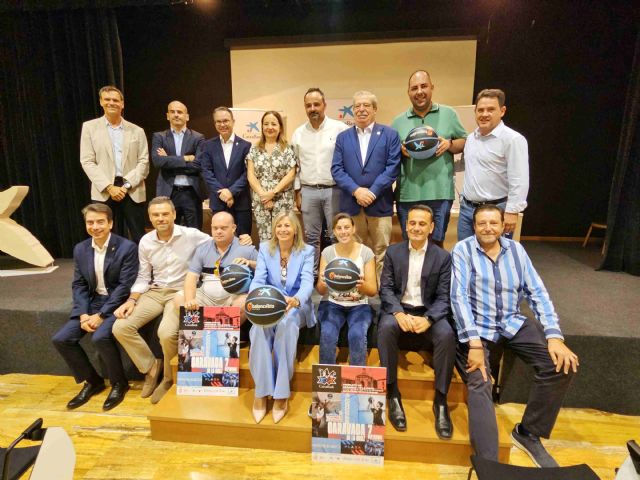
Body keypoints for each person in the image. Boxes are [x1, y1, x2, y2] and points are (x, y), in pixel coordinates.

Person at [451, 204, 578, 466]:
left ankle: (528, 433)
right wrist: (473, 343)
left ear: (502, 226)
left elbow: (537, 293)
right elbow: (458, 298)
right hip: (478, 328)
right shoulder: (463, 250)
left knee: (561, 365)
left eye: (493, 223)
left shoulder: (517, 250)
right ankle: (489, 464)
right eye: (481, 223)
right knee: (480, 381)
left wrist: (554, 336)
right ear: (474, 226)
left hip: (511, 323)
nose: (487, 228)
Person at [112, 196, 210, 404]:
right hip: (155, 291)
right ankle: (150, 368)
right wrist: (132, 300)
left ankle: (168, 378)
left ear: (174, 214)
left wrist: (243, 242)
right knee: (120, 327)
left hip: (180, 291)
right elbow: (143, 276)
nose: (161, 218)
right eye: (156, 215)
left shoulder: (191, 235)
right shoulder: (146, 241)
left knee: (165, 333)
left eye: (165, 214)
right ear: (150, 217)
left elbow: (218, 241)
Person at [377, 204, 456, 438]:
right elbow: (386, 290)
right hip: (400, 310)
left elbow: (444, 297)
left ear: (431, 227)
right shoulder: (393, 252)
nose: (416, 227)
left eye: (422, 223)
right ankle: (392, 393)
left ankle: (441, 400)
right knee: (385, 329)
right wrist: (398, 313)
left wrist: (429, 319)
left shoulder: (442, 257)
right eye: (412, 223)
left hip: (428, 311)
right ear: (405, 225)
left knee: (446, 334)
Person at [52, 203, 138, 411]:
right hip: (91, 303)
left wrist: (101, 315)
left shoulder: (127, 247)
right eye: (90, 222)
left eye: (100, 221)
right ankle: (93, 381)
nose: (95, 226)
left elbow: (124, 286)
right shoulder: (81, 248)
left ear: (110, 223)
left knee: (101, 337)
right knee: (61, 339)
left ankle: (119, 383)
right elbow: (79, 284)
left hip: (117, 304)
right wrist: (83, 314)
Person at [249, 211, 315, 424]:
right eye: (279, 226)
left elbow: (307, 283)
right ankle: (261, 391)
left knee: (286, 325)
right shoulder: (265, 250)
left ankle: (280, 394)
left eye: (287, 225)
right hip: (271, 304)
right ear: (274, 229)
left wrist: (295, 300)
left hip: (296, 306)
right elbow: (258, 280)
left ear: (295, 229)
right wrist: (260, 299)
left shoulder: (306, 251)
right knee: (258, 328)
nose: (283, 230)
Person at [391, 70, 467, 246]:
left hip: (439, 193)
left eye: (424, 86)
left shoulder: (449, 114)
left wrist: (450, 144)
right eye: (414, 88)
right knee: (409, 244)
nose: (419, 91)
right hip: (408, 194)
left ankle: (434, 275)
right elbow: (389, 154)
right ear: (408, 92)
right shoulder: (397, 121)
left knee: (436, 244)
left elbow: (465, 140)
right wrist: (399, 150)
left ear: (432, 87)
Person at [331, 91, 401, 276]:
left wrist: (372, 191)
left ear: (375, 109)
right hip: (351, 204)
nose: (361, 109)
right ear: (353, 110)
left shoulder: (390, 134)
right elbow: (337, 169)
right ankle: (356, 290)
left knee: (381, 250)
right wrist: (356, 191)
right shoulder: (343, 137)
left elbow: (393, 167)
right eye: (357, 106)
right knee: (354, 249)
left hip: (380, 203)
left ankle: (380, 293)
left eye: (366, 105)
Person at [457, 88, 529, 241]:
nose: (484, 114)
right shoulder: (471, 138)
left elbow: (520, 178)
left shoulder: (513, 139)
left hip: (497, 211)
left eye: (490, 109)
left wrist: (512, 211)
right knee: (465, 256)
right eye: (480, 110)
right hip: (467, 211)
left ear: (502, 111)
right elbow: (467, 167)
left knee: (495, 258)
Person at [80, 85, 149, 243]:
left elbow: (144, 162)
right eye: (107, 99)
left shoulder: (137, 131)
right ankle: (105, 267)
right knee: (102, 234)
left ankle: (143, 268)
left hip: (132, 188)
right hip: (104, 189)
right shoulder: (90, 128)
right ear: (101, 102)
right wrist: (109, 187)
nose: (112, 103)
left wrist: (125, 186)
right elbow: (87, 160)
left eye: (115, 100)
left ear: (122, 104)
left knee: (139, 235)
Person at [291, 88, 349, 274]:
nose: (313, 108)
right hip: (308, 191)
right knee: (311, 237)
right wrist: (297, 192)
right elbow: (296, 167)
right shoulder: (298, 133)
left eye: (317, 104)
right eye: (309, 105)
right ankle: (313, 275)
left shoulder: (340, 128)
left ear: (324, 105)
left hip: (334, 189)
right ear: (305, 108)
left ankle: (337, 273)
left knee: (336, 234)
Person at [173, 211, 258, 322]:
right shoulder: (202, 249)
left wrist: (249, 262)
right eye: (215, 228)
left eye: (223, 228)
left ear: (233, 228)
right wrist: (190, 299)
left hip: (233, 296)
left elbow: (265, 269)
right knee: (179, 298)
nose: (218, 231)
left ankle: (223, 335)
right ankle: (200, 332)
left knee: (243, 302)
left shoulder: (246, 248)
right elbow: (191, 277)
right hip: (206, 296)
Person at [316, 213, 377, 366]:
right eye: (339, 228)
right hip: (332, 303)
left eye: (347, 227)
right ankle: (327, 383)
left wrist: (359, 284)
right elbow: (320, 290)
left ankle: (356, 382)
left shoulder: (366, 252)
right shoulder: (328, 252)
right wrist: (323, 283)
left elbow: (373, 290)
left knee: (357, 335)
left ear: (353, 228)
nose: (343, 232)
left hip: (359, 305)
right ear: (334, 231)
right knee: (328, 334)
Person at [197, 107, 253, 240]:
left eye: (226, 121)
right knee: (221, 240)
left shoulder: (246, 146)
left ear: (233, 121)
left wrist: (231, 192)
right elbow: (206, 172)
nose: (222, 124)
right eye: (218, 121)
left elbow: (248, 173)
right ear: (214, 123)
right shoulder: (208, 146)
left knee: (243, 240)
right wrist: (223, 192)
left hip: (241, 202)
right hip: (219, 201)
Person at [151, 100, 205, 229]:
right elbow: (158, 162)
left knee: (194, 233)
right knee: (168, 232)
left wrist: (169, 160)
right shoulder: (159, 137)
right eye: (172, 112)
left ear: (187, 116)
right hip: (168, 192)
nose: (176, 115)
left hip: (191, 193)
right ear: (167, 115)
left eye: (180, 112)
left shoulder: (198, 137)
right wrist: (186, 158)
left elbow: (198, 165)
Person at [246, 111, 297, 241]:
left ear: (280, 127)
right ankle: (268, 262)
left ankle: (285, 261)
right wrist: (264, 196)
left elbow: (291, 174)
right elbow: (251, 175)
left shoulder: (287, 148)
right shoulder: (254, 149)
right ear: (262, 127)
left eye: (273, 124)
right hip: (261, 201)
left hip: (282, 199)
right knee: (265, 238)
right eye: (266, 124)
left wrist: (273, 193)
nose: (270, 127)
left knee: (283, 236)